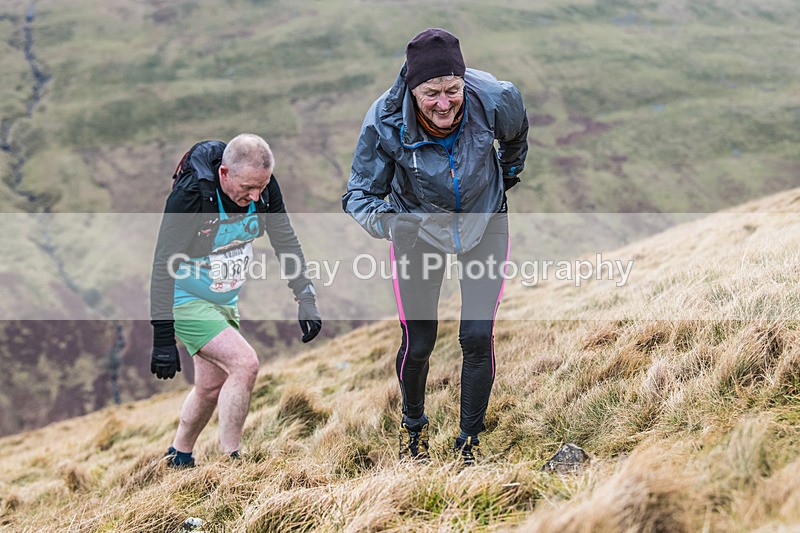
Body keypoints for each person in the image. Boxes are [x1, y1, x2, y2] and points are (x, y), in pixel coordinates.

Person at [342, 28, 528, 465]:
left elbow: (516, 136)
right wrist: (391, 224)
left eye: (452, 90)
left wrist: (509, 172)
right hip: (417, 229)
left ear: (464, 83)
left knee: (477, 337)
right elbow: (358, 195)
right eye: (431, 93)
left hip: (485, 221)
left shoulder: (497, 99)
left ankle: (469, 444)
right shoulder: (384, 121)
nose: (444, 103)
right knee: (420, 340)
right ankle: (413, 433)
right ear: (412, 88)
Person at [150, 133, 322, 467]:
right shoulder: (191, 197)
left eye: (262, 186)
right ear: (224, 174)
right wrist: (162, 338)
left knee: (210, 387)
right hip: (184, 298)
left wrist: (305, 295)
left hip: (223, 298)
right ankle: (232, 461)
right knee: (245, 364)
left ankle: (178, 456)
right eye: (248, 188)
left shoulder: (263, 186)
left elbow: (285, 239)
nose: (256, 196)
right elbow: (162, 264)